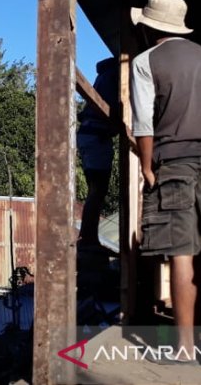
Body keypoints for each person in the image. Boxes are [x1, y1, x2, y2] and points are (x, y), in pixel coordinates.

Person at [129, 0, 201, 364]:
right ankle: (197, 336)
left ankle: (185, 347)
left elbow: (143, 121)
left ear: (148, 27)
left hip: (175, 160)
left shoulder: (145, 61)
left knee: (181, 251)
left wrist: (145, 166)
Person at [77, 56, 119, 254]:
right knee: (98, 189)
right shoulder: (114, 76)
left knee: (96, 188)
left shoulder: (104, 76)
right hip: (97, 135)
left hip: (89, 134)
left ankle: (88, 237)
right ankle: (88, 238)